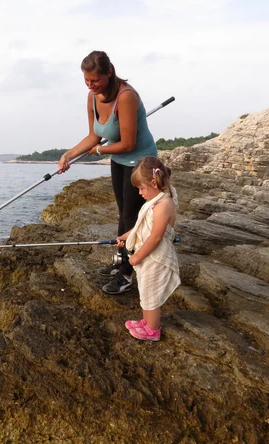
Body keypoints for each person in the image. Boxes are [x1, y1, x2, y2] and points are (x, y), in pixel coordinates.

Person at [58, 50, 158, 295]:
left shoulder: (126, 97)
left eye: (95, 80)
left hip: (141, 161)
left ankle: (127, 274)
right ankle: (120, 261)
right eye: (87, 81)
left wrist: (101, 150)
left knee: (130, 216)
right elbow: (94, 135)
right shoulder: (92, 97)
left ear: (109, 72)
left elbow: (128, 143)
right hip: (119, 159)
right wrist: (68, 155)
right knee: (122, 214)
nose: (91, 85)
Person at [116, 156, 180, 341]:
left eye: (142, 188)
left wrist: (136, 257)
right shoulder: (155, 201)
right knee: (145, 289)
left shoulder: (164, 204)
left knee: (151, 293)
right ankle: (146, 321)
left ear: (154, 182)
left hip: (156, 257)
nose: (140, 193)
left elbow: (155, 236)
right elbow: (140, 228)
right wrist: (124, 237)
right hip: (148, 256)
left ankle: (152, 330)